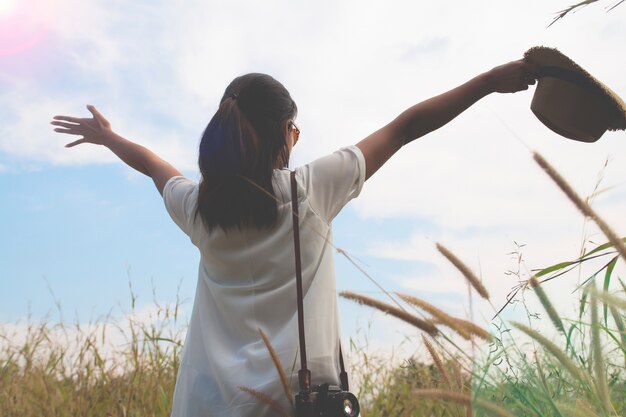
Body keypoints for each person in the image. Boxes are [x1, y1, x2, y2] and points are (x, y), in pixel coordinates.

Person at [51, 60, 536, 417]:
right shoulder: (311, 191)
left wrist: (110, 138)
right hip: (298, 407)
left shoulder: (199, 209)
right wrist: (491, 82)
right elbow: (406, 127)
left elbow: (155, 168)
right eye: (294, 130)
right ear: (285, 132)